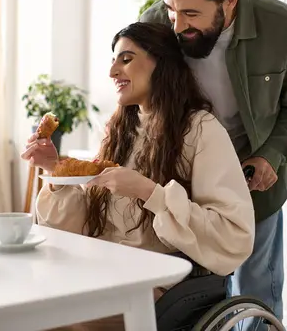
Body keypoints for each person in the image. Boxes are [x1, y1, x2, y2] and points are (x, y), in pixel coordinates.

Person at [21, 22, 255, 331]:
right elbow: (77, 226)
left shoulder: (200, 129)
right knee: (16, 303)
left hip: (158, 287)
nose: (113, 71)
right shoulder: (117, 131)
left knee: (51, 319)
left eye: (126, 59)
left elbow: (233, 235)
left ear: (161, 63)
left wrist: (150, 193)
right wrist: (55, 168)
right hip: (102, 274)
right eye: (114, 60)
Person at [139, 0, 287, 328]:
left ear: (230, 1)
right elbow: (134, 95)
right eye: (171, 9)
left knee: (255, 295)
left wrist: (270, 154)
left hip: (255, 185)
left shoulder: (285, 27)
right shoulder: (156, 23)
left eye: (190, 13)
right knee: (181, 295)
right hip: (179, 184)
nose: (177, 25)